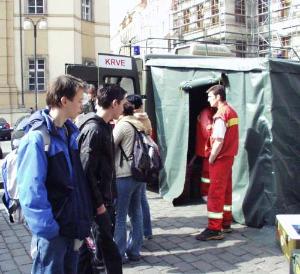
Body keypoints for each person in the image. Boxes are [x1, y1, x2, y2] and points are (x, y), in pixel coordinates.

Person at [17, 75, 93, 274]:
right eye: (79, 100)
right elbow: (31, 192)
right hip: (54, 234)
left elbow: (76, 183)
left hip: (70, 228)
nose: (82, 105)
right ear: (64, 100)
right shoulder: (37, 138)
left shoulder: (69, 133)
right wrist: (49, 230)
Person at [77, 84, 126, 274]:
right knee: (105, 250)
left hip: (103, 201)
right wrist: (99, 205)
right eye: (122, 103)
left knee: (95, 251)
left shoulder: (104, 127)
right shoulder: (95, 130)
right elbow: (86, 172)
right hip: (97, 205)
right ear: (114, 103)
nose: (123, 108)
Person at [196, 84, 239, 241]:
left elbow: (219, 140)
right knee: (226, 190)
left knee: (214, 193)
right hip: (228, 157)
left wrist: (212, 157)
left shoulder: (220, 115)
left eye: (210, 97)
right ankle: (225, 223)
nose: (208, 100)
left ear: (218, 97)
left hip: (220, 158)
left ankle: (214, 228)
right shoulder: (231, 112)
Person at [113, 101, 145, 262]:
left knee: (120, 216)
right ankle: (135, 251)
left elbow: (110, 146)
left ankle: (119, 253)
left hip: (124, 175)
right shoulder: (139, 123)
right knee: (136, 212)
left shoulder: (122, 125)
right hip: (139, 174)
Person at [126, 94, 153, 240]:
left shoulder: (135, 120)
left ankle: (143, 232)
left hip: (137, 163)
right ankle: (147, 230)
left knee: (139, 201)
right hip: (144, 163)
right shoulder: (145, 118)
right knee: (143, 199)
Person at [194, 106, 215, 202]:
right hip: (208, 150)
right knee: (207, 174)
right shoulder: (206, 113)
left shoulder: (210, 112)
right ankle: (205, 193)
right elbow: (207, 132)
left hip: (211, 149)